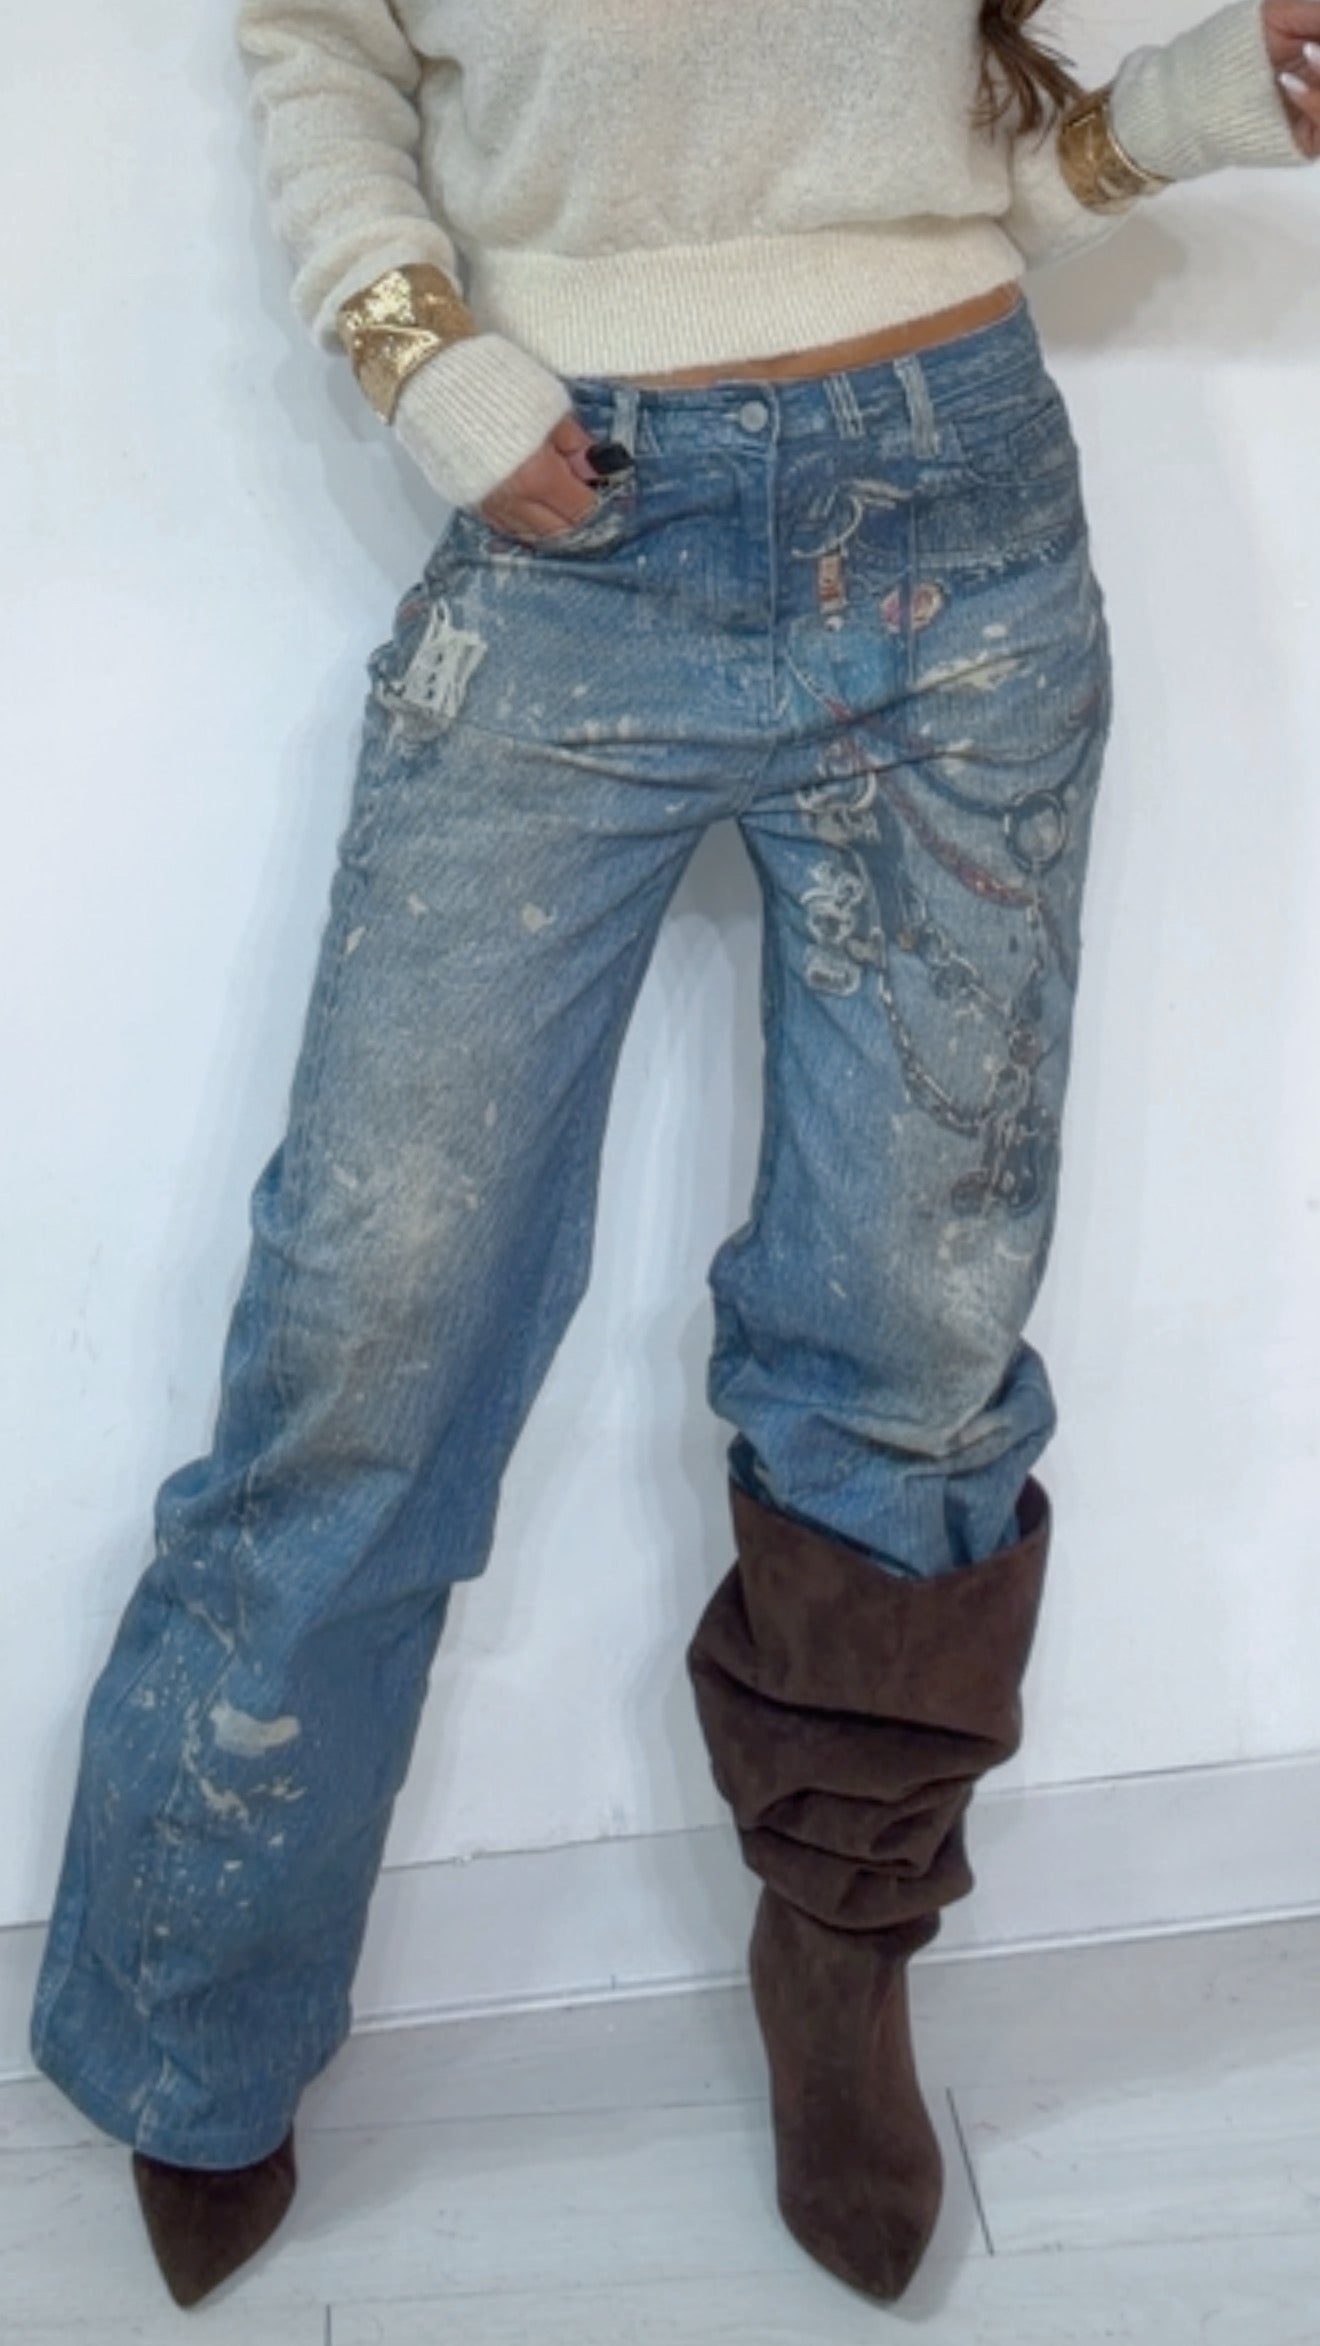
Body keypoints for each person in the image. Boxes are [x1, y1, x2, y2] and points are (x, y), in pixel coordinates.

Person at [27, 0, 1318, 2313]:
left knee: (911, 1329)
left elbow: (963, 166)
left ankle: (842, 1952)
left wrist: (1207, 100)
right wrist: (416, 349)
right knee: (374, 1327)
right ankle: (196, 2016)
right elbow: (318, 51)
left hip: (962, 538)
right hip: (571, 548)